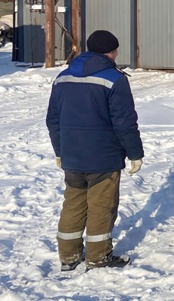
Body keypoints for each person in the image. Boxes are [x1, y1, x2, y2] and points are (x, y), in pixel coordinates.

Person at [46, 30, 144, 271]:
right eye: (116, 51)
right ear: (111, 52)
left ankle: (68, 256)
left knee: (73, 204)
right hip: (103, 157)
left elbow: (53, 119)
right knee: (101, 207)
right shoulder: (114, 79)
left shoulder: (63, 77)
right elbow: (124, 122)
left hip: (72, 155)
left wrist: (60, 151)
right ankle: (98, 257)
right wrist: (135, 153)